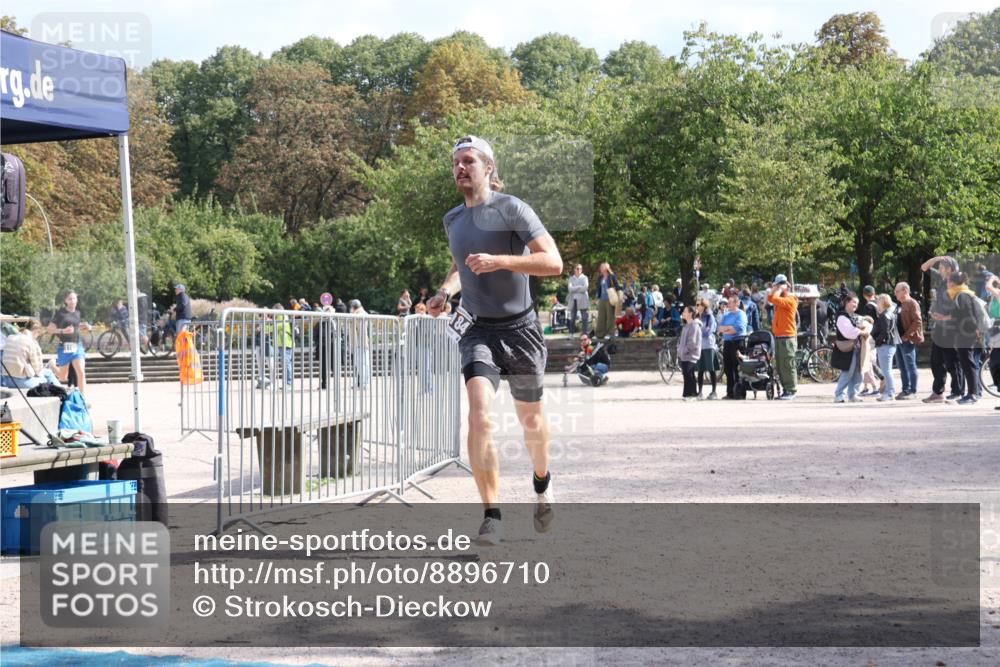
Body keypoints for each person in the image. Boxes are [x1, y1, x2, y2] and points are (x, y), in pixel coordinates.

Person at [426, 134, 561, 546]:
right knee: (479, 414)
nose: (460, 168)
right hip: (477, 329)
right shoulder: (452, 220)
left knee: (532, 422)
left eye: (468, 160)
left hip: (520, 330)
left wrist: (501, 260)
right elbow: (459, 264)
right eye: (455, 163)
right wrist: (445, 292)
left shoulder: (512, 209)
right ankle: (492, 515)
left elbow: (552, 262)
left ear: (488, 167)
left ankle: (542, 482)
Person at [922, 255, 963, 403]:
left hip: (952, 328)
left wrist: (944, 318)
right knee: (936, 360)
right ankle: (938, 392)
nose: (938, 269)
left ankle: (958, 391)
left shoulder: (958, 283)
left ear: (950, 269)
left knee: (953, 361)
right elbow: (924, 267)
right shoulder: (941, 280)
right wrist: (938, 258)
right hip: (940, 328)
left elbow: (962, 309)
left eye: (941, 267)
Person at [943, 272, 982, 405]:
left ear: (952, 283)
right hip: (965, 333)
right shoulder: (961, 294)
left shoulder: (962, 295)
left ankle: (972, 394)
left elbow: (969, 316)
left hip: (966, 334)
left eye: (948, 281)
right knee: (966, 362)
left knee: (968, 363)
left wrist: (973, 331)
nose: (947, 284)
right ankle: (971, 393)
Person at [47, 290, 90, 396]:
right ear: (65, 301)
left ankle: (82, 399)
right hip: (64, 347)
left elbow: (75, 326)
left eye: (74, 298)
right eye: (70, 299)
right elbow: (50, 329)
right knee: (63, 377)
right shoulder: (60, 313)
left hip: (77, 345)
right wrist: (63, 331)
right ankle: (52, 365)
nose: (73, 301)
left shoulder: (78, 313)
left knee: (81, 372)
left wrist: (84, 326)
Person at [0, 319, 63, 390]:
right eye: (38, 335)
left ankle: (62, 390)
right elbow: (38, 370)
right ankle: (63, 392)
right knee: (48, 375)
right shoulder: (30, 342)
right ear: (36, 331)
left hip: (7, 381)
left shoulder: (10, 338)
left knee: (47, 373)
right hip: (21, 382)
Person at [768, 275, 798, 400]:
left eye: (779, 285)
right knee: (780, 365)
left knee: (788, 365)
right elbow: (770, 298)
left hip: (787, 337)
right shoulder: (781, 298)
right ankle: (786, 389)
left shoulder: (790, 299)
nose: (776, 288)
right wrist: (776, 289)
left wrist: (779, 290)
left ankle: (791, 390)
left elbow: (773, 299)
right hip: (780, 337)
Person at [832, 292, 866, 403]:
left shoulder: (852, 316)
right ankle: (839, 395)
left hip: (856, 347)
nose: (856, 305)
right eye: (854, 302)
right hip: (847, 349)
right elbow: (849, 333)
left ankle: (853, 395)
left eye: (857, 303)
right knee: (848, 372)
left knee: (857, 372)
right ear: (847, 302)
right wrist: (861, 331)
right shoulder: (842, 316)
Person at [893, 282, 923, 399]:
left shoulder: (912, 303)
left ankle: (913, 391)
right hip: (899, 340)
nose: (895, 293)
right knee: (902, 367)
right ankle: (905, 389)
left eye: (897, 291)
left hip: (907, 340)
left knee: (910, 366)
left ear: (905, 291)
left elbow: (918, 322)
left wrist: (907, 335)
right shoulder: (900, 304)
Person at [717, 294, 748, 399]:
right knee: (728, 368)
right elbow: (720, 329)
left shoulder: (741, 314)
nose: (727, 305)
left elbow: (737, 329)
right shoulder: (726, 315)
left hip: (738, 342)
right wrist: (728, 328)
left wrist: (728, 329)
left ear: (736, 303)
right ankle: (730, 392)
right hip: (728, 343)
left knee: (737, 368)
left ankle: (739, 392)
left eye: (730, 303)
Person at [871, 294, 901, 401]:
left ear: (883, 302)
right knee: (887, 370)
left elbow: (885, 332)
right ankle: (889, 392)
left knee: (887, 371)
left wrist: (877, 341)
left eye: (878, 301)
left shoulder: (885, 315)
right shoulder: (888, 313)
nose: (877, 303)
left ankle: (890, 393)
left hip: (885, 345)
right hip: (888, 345)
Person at [694, 298, 719, 400]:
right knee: (700, 370)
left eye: (699, 305)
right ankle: (699, 392)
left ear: (704, 306)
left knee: (711, 369)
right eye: (696, 305)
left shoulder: (710, 317)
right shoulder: (696, 317)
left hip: (709, 346)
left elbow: (709, 332)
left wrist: (699, 332)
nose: (697, 306)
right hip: (699, 347)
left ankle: (714, 392)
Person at [678, 306, 703, 400]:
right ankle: (687, 393)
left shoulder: (694, 326)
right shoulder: (686, 326)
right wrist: (679, 350)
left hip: (691, 355)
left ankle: (692, 394)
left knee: (689, 374)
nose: (683, 313)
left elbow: (692, 342)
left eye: (685, 311)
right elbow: (681, 341)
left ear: (690, 313)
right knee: (686, 374)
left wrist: (684, 350)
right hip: (684, 355)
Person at [348, 299, 371, 389]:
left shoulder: (358, 314)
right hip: (361, 342)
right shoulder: (361, 313)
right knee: (363, 364)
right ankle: (362, 382)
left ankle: (363, 383)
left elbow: (359, 330)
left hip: (359, 343)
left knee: (362, 364)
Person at [985, 275, 1000, 405]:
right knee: (994, 365)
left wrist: (992, 278)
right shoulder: (993, 299)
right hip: (995, 333)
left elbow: (988, 287)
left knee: (995, 363)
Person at [595, 262, 620, 339]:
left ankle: (610, 333)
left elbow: (617, 286)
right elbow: (598, 288)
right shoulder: (600, 277)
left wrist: (619, 297)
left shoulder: (612, 276)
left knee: (610, 317)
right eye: (600, 267)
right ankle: (599, 334)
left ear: (606, 268)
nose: (600, 269)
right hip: (602, 298)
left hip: (610, 299)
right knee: (601, 317)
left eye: (602, 267)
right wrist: (597, 297)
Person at [566, 264, 590, 335]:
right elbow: (570, 289)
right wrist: (579, 287)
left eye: (580, 268)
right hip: (574, 300)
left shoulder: (585, 278)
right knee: (572, 318)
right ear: (574, 269)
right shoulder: (571, 278)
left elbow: (585, 288)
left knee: (584, 317)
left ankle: (584, 334)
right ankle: (571, 333)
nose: (579, 270)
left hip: (583, 300)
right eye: (577, 268)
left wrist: (575, 288)